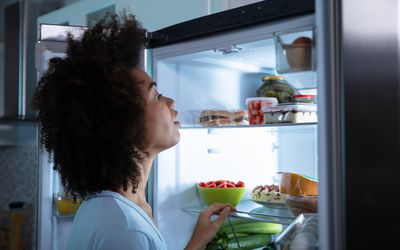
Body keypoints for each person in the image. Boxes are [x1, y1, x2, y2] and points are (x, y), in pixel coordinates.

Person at [31, 12, 234, 250]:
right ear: (125, 124)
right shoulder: (125, 230)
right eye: (156, 96)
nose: (170, 101)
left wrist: (197, 241)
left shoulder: (111, 207)